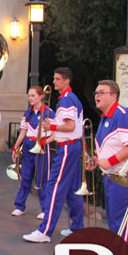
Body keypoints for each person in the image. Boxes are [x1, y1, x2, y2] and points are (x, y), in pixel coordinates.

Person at [23, 67, 84, 243]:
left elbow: (70, 126)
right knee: (73, 188)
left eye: (58, 79)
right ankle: (77, 226)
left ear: (67, 81)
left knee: (54, 187)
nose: (55, 81)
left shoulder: (66, 100)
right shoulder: (71, 99)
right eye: (55, 78)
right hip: (72, 146)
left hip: (67, 147)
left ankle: (45, 231)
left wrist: (52, 127)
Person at [88, 80, 128, 249]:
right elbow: (109, 146)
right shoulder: (107, 117)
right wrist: (97, 160)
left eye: (101, 93)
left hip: (126, 175)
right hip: (112, 174)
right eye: (96, 92)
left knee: (123, 225)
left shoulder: (123, 116)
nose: (97, 96)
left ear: (113, 96)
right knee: (114, 222)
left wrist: (109, 161)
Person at [10, 86, 55, 219]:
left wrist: (44, 143)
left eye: (33, 96)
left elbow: (55, 135)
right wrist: (16, 147)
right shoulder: (27, 113)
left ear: (41, 96)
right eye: (29, 96)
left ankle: (45, 208)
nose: (30, 98)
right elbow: (23, 132)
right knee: (25, 176)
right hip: (28, 144)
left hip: (41, 145)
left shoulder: (49, 113)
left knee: (42, 178)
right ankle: (20, 205)